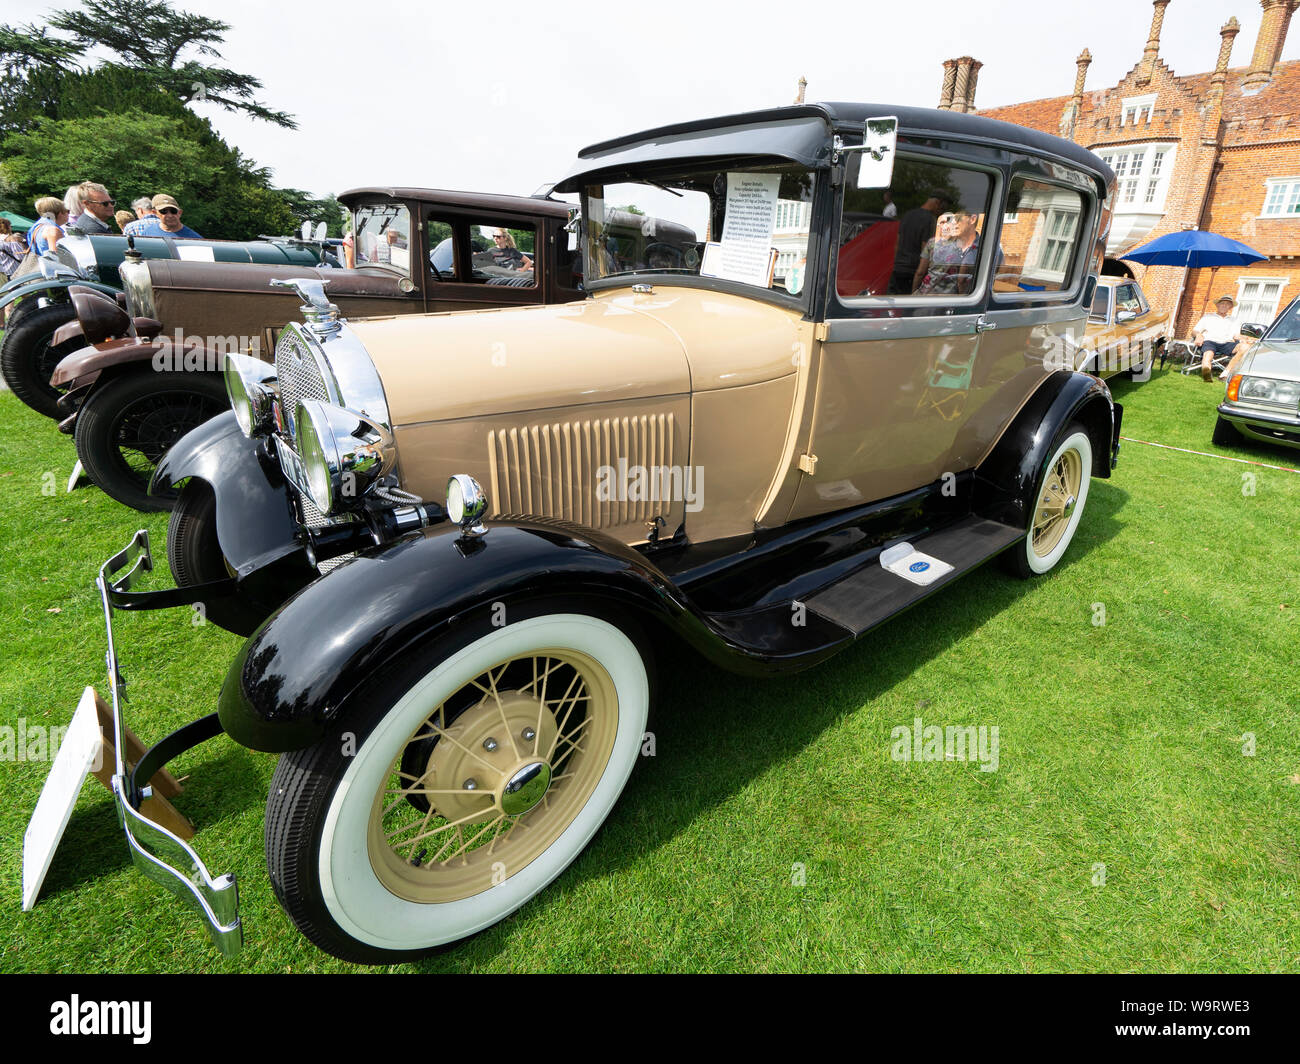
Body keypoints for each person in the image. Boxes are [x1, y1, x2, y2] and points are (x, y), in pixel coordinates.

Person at [891, 190, 947, 293]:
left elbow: (897, 244)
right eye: (943, 208)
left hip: (898, 270)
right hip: (913, 272)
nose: (941, 212)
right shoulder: (929, 219)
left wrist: (896, 264)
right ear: (938, 203)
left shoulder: (908, 215)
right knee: (909, 307)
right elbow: (925, 250)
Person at [1194, 295, 1246, 381]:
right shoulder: (1208, 317)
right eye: (1222, 303)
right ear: (1217, 305)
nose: (1224, 306)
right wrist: (1199, 335)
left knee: (1245, 347)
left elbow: (1236, 335)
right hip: (1210, 341)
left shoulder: (1234, 320)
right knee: (1208, 354)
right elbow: (1194, 331)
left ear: (1230, 307)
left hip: (1227, 343)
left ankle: (1225, 374)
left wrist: (1246, 338)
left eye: (1227, 304)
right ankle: (1207, 378)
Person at [133, 194, 202, 239]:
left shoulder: (194, 238)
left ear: (180, 213)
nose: (170, 215)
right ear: (155, 213)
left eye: (173, 211)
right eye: (163, 211)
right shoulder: (147, 234)